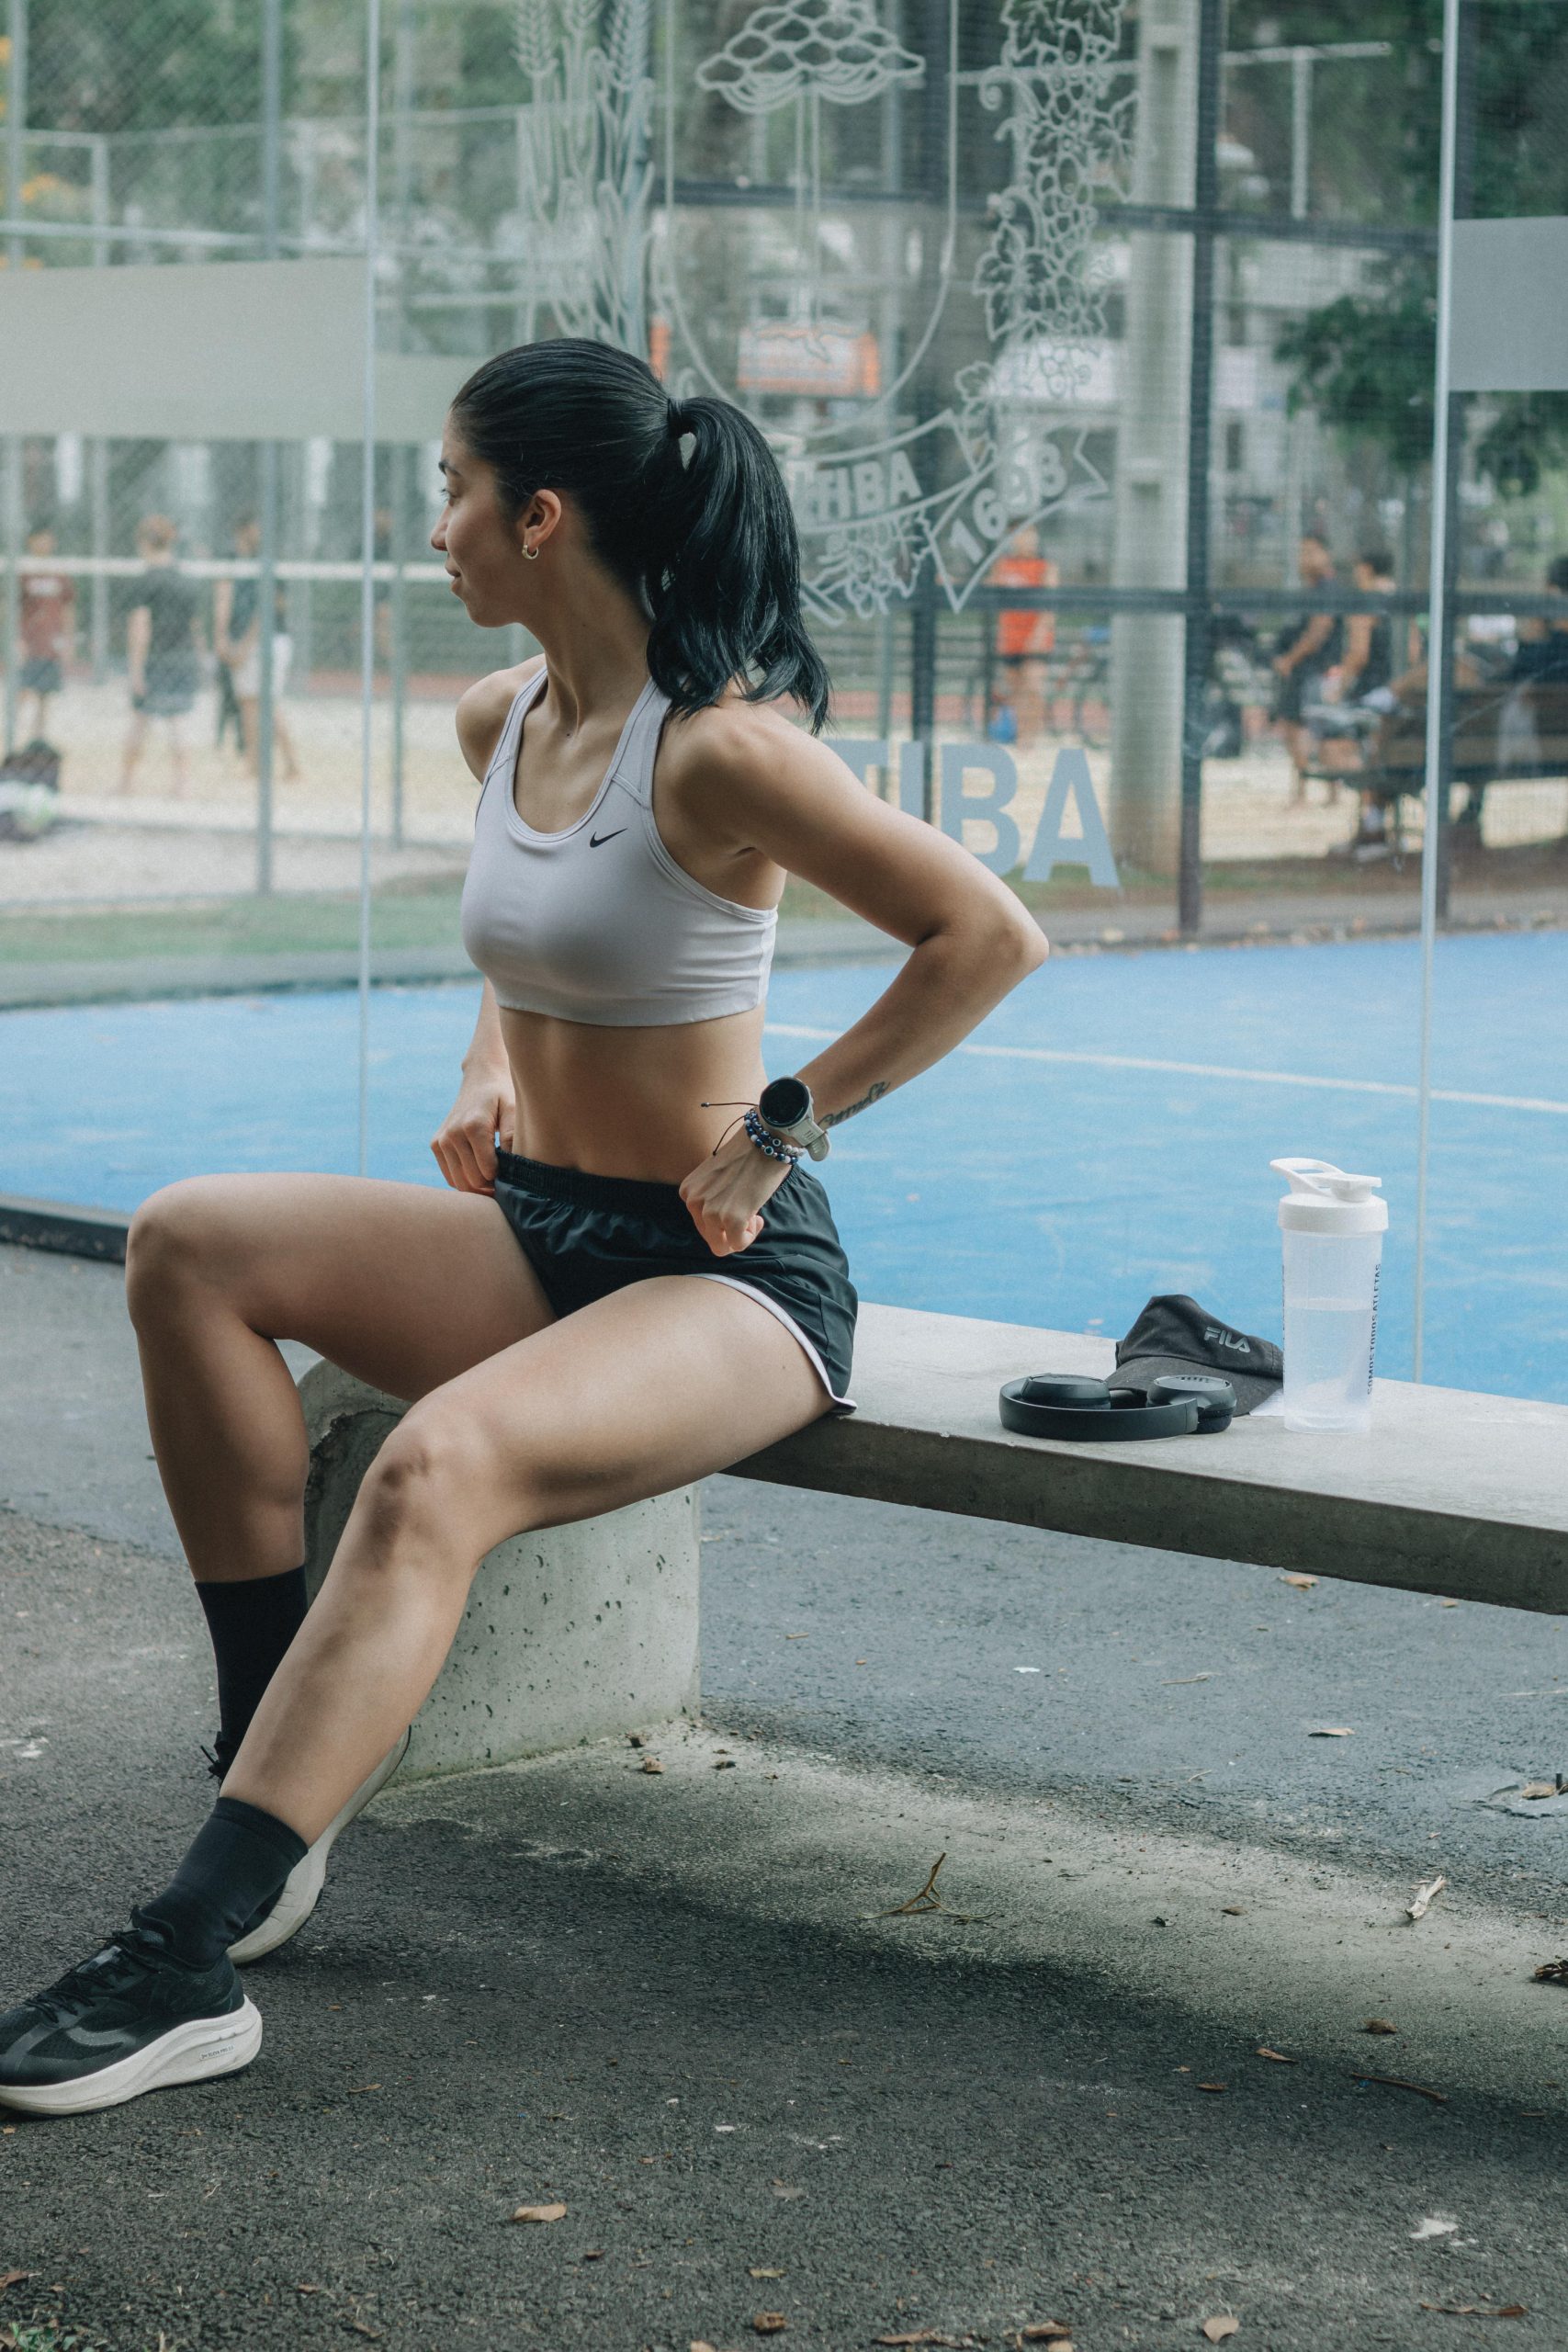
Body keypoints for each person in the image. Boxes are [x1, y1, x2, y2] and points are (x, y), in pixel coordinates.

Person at [0, 339, 1048, 2118]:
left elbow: (987, 936)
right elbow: (541, 938)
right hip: (545, 1224)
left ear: (539, 513)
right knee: (188, 1240)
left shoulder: (723, 753)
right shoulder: (503, 719)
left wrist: (785, 1125)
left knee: (435, 1463)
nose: (434, 533)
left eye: (449, 492)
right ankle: (267, 1788)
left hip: (723, 1279)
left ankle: (188, 1951)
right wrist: (488, 1062)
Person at [120, 515, 205, 797]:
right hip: (182, 656)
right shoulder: (185, 581)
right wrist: (201, 660)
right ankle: (182, 783)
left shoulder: (145, 582)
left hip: (155, 658)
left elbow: (140, 626)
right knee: (178, 721)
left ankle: (127, 782)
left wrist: (135, 669)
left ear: (145, 543)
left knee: (140, 721)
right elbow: (195, 627)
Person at [215, 514, 300, 783]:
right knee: (249, 705)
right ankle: (254, 766)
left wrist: (244, 645)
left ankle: (291, 765)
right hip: (245, 641)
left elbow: (267, 609)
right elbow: (224, 602)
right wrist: (225, 640)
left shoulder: (265, 563)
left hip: (267, 640)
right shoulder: (233, 562)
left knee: (266, 704)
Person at [1272, 531, 1343, 806]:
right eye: (1302, 552)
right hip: (1308, 670)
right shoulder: (1312, 590)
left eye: (1312, 551)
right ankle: (1308, 790)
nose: (1305, 558)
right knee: (1302, 729)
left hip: (1315, 670)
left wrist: (1289, 659)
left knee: (1310, 730)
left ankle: (1316, 791)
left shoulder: (1327, 589)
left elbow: (1319, 630)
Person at [990, 526, 1057, 744]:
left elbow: (1050, 606)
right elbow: (985, 588)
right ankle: (1021, 736)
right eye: (1020, 535)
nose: (1026, 540)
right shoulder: (1003, 565)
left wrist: (1039, 634)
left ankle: (1032, 737)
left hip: (1035, 639)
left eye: (1030, 535)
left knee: (1034, 687)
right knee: (1016, 690)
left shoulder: (1045, 567)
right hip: (1010, 639)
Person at [17, 522, 74, 746]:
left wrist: (68, 640)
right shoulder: (23, 570)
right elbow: (11, 605)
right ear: (31, 541)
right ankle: (11, 733)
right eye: (41, 538)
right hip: (28, 640)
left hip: (50, 642)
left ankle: (37, 738)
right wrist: (16, 638)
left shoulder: (58, 572)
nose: (45, 544)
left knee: (44, 692)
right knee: (22, 689)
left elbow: (68, 607)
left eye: (49, 539)